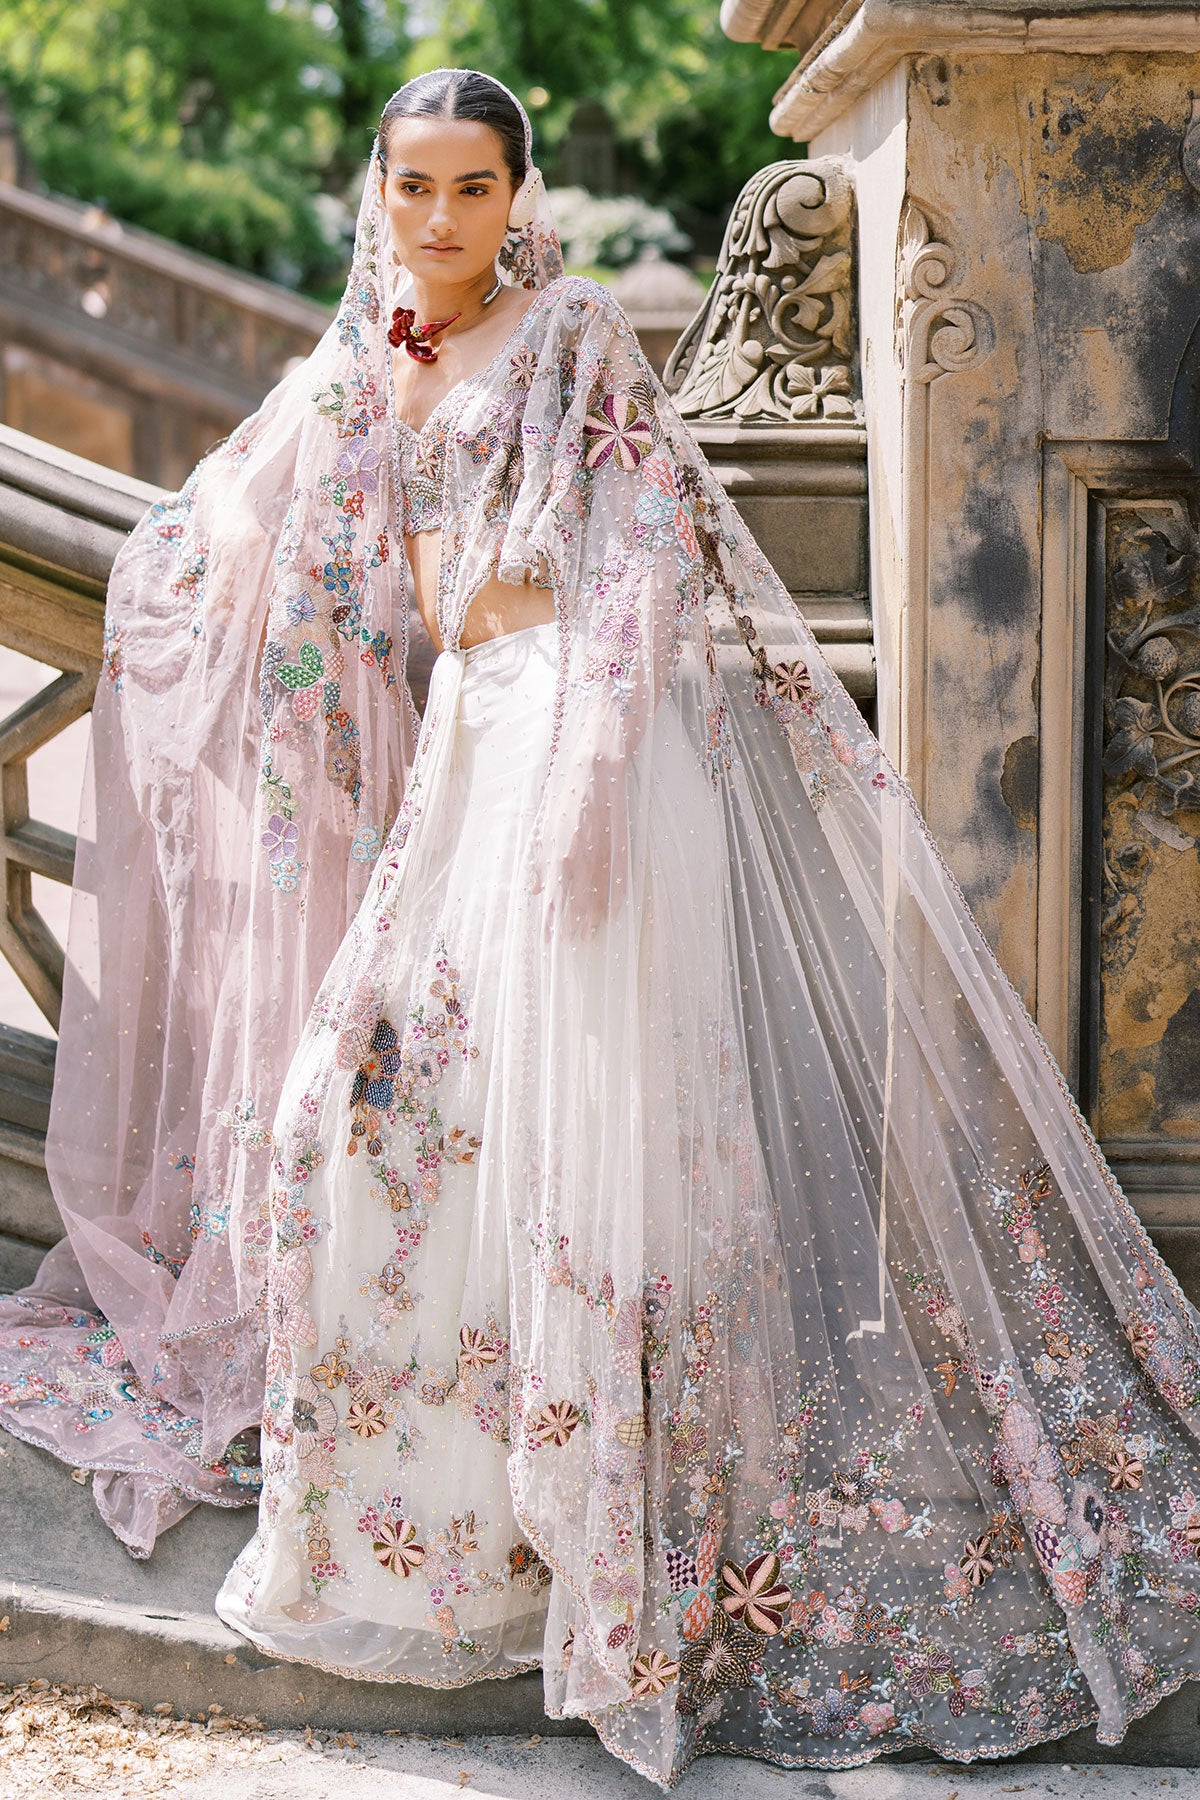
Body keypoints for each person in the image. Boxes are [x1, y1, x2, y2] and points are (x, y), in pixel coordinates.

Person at [4, 64, 1200, 1792]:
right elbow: (243, 523)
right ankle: (433, 1543)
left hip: (568, 750)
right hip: (453, 771)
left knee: (551, 1155)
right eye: (413, 188)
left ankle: (585, 1538)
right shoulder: (362, 355)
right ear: (379, 189)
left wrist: (587, 772)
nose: (438, 222)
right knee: (369, 1130)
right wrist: (205, 567)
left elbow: (642, 553)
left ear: (518, 192)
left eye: (470, 190)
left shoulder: (568, 340)